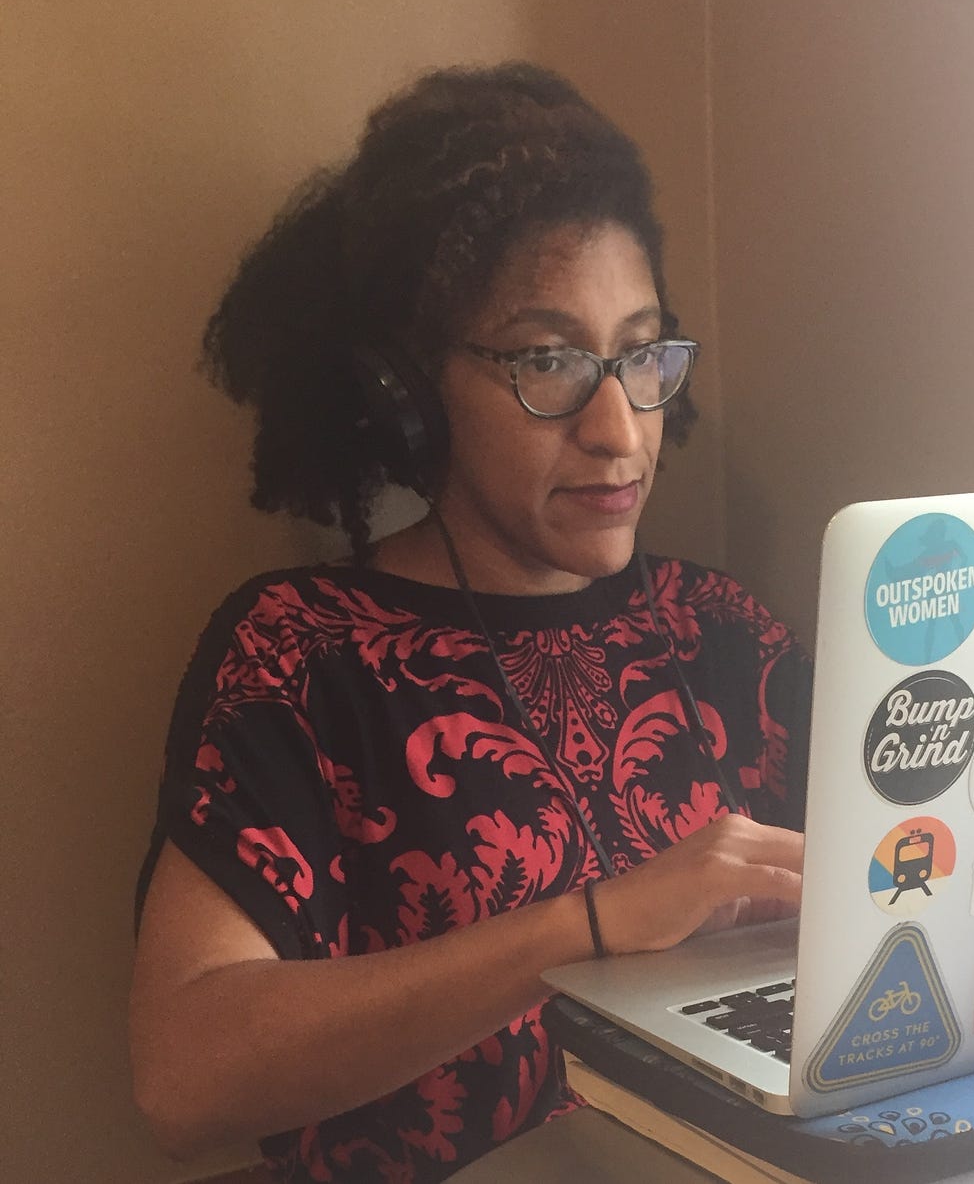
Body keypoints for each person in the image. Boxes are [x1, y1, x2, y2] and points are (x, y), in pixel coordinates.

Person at [129, 63, 811, 1183]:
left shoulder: (723, 630)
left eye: (639, 354)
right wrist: (585, 927)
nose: (618, 429)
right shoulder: (305, 654)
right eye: (546, 359)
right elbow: (184, 1077)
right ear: (408, 392)